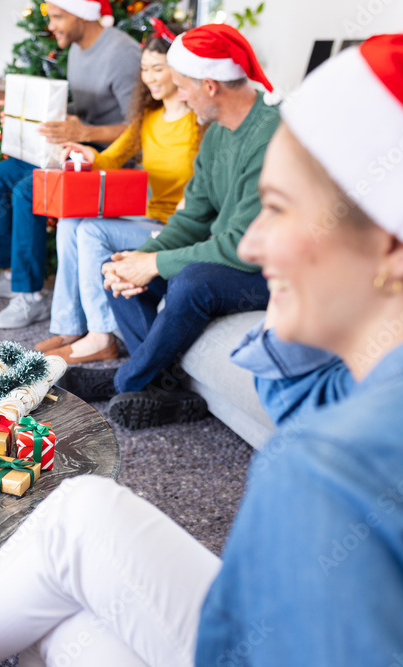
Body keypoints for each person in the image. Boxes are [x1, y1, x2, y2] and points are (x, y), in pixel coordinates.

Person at [0, 24, 403, 667]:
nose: (253, 244)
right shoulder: (400, 384)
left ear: (397, 243)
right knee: (62, 580)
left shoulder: (335, 472)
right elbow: (299, 382)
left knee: (53, 610)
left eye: (279, 208)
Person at [92, 23, 280, 429]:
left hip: (273, 270)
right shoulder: (216, 136)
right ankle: (162, 389)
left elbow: (241, 245)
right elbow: (193, 217)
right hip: (237, 256)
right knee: (118, 265)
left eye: (182, 86)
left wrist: (156, 265)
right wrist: (143, 258)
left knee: (193, 282)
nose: (177, 97)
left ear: (209, 86)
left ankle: (123, 381)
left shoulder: (269, 136)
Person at [38, 20, 204, 363]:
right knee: (71, 223)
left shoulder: (200, 121)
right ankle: (70, 326)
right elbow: (113, 157)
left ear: (179, 70)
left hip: (177, 225)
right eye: (145, 69)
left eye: (158, 69)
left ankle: (102, 337)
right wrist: (89, 154)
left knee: (93, 230)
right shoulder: (149, 116)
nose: (149, 77)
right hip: (150, 213)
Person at [0, 0, 142, 329]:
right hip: (73, 148)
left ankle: (30, 296)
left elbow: (139, 128)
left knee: (27, 190)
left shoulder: (122, 53)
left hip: (105, 159)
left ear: (82, 14)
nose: (53, 26)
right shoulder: (78, 47)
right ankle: (8, 273)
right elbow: (86, 105)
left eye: (59, 17)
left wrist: (86, 131)